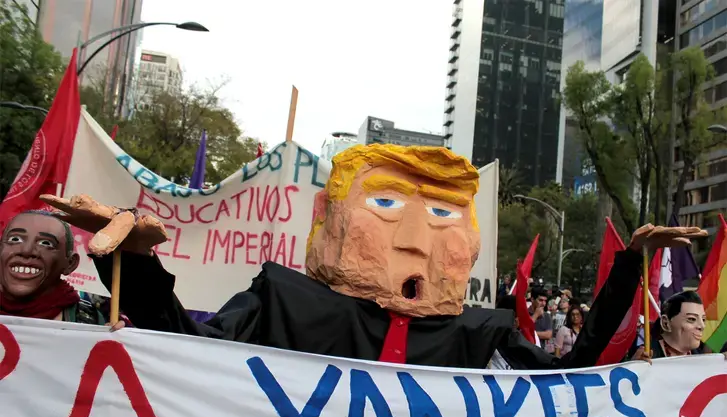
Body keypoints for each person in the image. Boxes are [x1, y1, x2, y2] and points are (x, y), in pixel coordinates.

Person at [49, 144, 706, 370]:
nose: (417, 237)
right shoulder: (285, 304)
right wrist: (134, 262)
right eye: (387, 205)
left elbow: (574, 382)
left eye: (445, 213)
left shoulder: (481, 338)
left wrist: (628, 271)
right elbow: (181, 353)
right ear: (326, 225)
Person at [0, 210, 105, 324]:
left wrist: (119, 336)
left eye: (45, 243)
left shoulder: (89, 322)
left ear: (70, 264)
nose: (26, 251)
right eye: (15, 239)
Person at [631, 291, 717, 360]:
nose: (702, 326)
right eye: (692, 319)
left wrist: (721, 363)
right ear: (666, 323)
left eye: (703, 319)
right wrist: (635, 366)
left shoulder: (700, 358)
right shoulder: (646, 355)